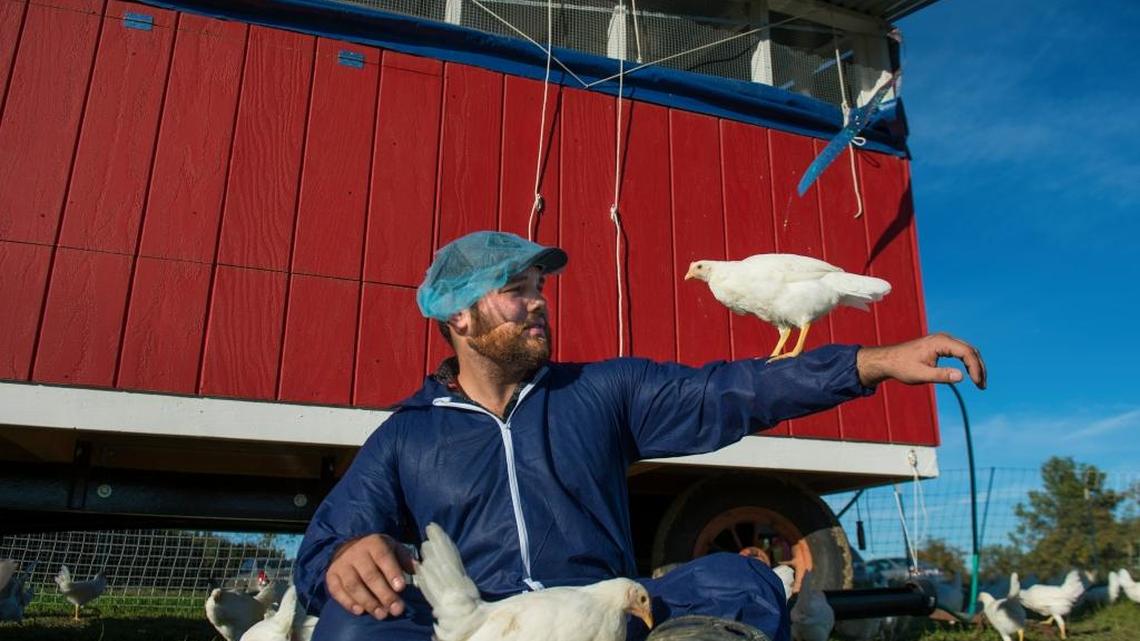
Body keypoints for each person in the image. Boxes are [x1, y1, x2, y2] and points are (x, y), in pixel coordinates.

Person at [295, 230, 986, 641]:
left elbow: (735, 389)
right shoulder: (406, 437)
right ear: (459, 318)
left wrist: (873, 362)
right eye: (515, 288)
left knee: (742, 578)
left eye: (540, 284)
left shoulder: (598, 393)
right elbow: (322, 549)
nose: (539, 299)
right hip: (487, 628)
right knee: (352, 624)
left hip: (606, 618)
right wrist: (343, 554)